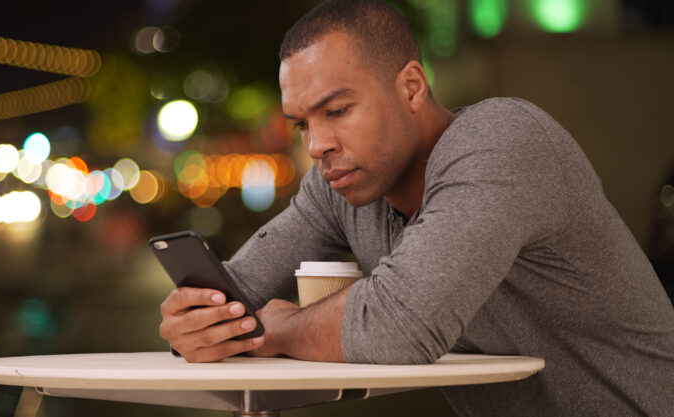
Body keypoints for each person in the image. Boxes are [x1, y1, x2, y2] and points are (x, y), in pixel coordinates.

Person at [158, 0, 674, 415]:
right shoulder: (338, 184)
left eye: (336, 110)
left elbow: (399, 325)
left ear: (411, 87)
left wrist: (274, 330)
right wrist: (195, 325)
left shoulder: (505, 142)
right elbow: (234, 293)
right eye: (302, 124)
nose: (317, 144)